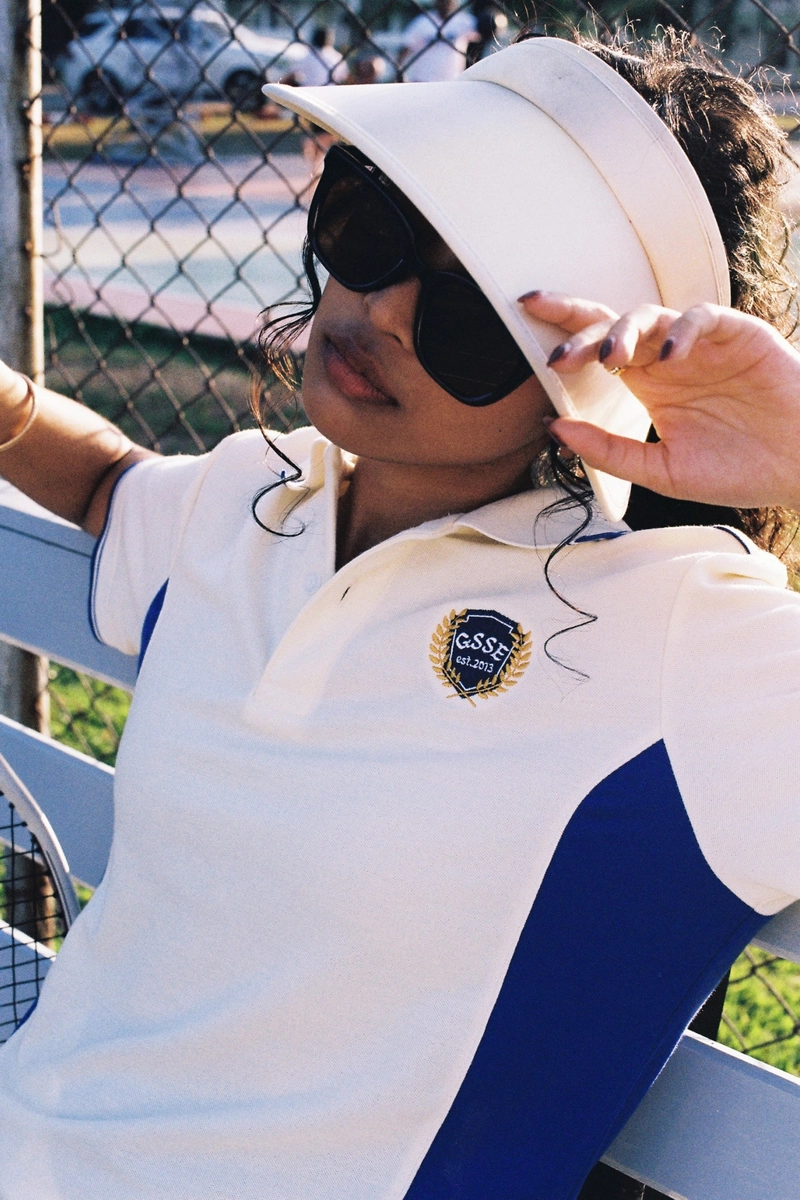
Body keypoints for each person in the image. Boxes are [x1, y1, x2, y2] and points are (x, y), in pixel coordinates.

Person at [0, 29, 799, 1200]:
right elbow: (112, 487)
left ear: (593, 373)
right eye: (369, 224)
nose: (376, 306)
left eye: (472, 312)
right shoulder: (255, 494)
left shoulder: (690, 636)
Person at [398, 0, 477, 82]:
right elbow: (405, 50)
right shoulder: (422, 22)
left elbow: (481, 34)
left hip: (452, 81)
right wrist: (399, 72)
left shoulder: (465, 21)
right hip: (422, 81)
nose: (446, 2)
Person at [281, 25, 346, 87]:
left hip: (310, 91)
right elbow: (344, 77)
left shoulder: (310, 55)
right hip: (330, 91)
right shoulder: (337, 57)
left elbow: (292, 74)